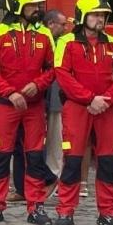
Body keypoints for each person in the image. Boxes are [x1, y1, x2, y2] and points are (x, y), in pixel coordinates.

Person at [51, 0, 113, 225]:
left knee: (107, 161)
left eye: (103, 15)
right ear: (84, 16)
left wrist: (107, 100)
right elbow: (62, 74)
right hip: (78, 107)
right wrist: (89, 99)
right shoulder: (67, 42)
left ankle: (108, 212)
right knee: (73, 159)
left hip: (105, 107)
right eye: (96, 15)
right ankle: (66, 210)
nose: (100, 19)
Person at [0, 0, 56, 225]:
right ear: (17, 6)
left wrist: (39, 84)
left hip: (34, 106)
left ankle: (36, 206)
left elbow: (53, 68)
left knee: (34, 156)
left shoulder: (44, 34)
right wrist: (10, 93)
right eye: (32, 5)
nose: (37, 8)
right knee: (1, 155)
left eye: (37, 4)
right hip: (6, 104)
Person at [43, 9, 69, 181]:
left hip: (55, 99)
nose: (66, 28)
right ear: (51, 24)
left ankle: (55, 175)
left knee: (56, 140)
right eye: (63, 24)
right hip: (41, 96)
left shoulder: (63, 42)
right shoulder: (42, 39)